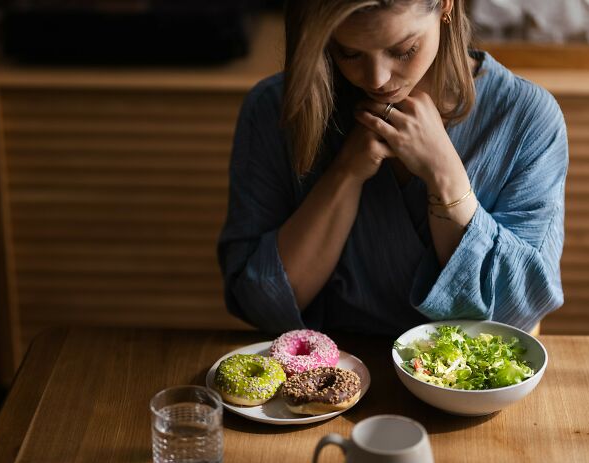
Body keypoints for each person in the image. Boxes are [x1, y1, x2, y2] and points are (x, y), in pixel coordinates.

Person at [217, 0, 568, 336]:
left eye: (403, 50)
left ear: (445, 5)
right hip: (322, 378)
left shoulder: (527, 118)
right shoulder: (275, 111)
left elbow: (517, 311)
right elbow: (258, 304)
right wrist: (345, 174)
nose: (377, 79)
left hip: (467, 390)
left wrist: (445, 176)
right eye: (349, 53)